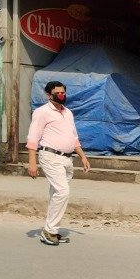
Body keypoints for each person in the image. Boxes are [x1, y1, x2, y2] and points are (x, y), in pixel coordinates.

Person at [26, 81, 91, 246]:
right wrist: (32, 163)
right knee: (63, 192)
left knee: (57, 194)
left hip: (67, 158)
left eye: (63, 93)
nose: (61, 96)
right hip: (50, 156)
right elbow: (33, 137)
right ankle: (49, 231)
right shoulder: (42, 112)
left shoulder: (68, 113)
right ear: (49, 95)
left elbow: (74, 137)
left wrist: (83, 157)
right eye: (58, 93)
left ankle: (51, 229)